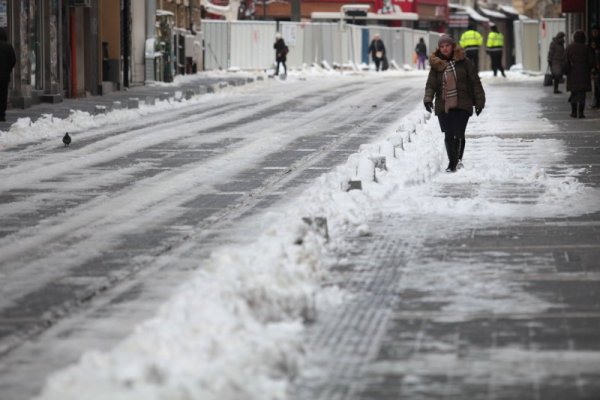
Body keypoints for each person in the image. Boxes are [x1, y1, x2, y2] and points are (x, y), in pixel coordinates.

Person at [424, 35, 486, 173]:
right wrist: (428, 99)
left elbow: (475, 82)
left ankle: (453, 163)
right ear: (439, 49)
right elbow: (431, 85)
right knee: (448, 133)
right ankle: (454, 160)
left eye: (447, 45)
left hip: (463, 102)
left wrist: (479, 102)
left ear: (452, 46)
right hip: (444, 103)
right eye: (442, 46)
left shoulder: (465, 62)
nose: (445, 49)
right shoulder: (436, 65)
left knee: (459, 132)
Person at [565, 30, 595, 118]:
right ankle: (581, 113)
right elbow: (591, 62)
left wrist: (566, 71)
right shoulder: (586, 48)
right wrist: (589, 69)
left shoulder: (569, 48)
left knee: (573, 93)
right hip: (584, 75)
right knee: (582, 95)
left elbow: (565, 62)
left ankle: (574, 112)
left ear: (574, 38)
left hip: (572, 75)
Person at [0, 27, 16, 122]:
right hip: (4, 76)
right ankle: (1, 115)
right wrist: (8, 69)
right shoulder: (8, 46)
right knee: (3, 95)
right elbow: (13, 60)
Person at [589, 25, 600, 108]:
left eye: (596, 32)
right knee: (595, 86)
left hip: (597, 66)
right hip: (594, 67)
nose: (594, 33)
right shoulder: (591, 41)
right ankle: (596, 102)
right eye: (593, 32)